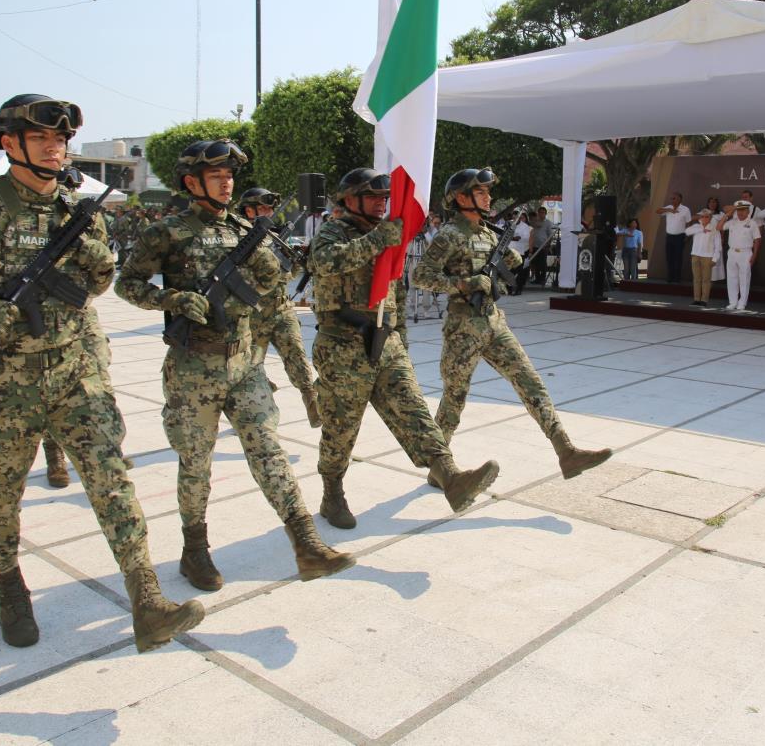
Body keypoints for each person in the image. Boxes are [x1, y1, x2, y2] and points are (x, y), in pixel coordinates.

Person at [0, 94, 204, 652]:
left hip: (78, 370)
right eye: (43, 139)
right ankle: (10, 587)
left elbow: (100, 284)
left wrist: (93, 246)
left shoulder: (77, 208)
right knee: (3, 492)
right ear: (9, 144)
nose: (56, 148)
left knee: (112, 479)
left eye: (62, 140)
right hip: (6, 382)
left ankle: (147, 599)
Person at [116, 139, 353, 589]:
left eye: (230, 176)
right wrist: (173, 298)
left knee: (269, 450)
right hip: (193, 369)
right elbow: (126, 284)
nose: (227, 183)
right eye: (217, 176)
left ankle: (306, 543)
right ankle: (194, 551)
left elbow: (273, 282)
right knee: (196, 463)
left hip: (245, 365)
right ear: (192, 182)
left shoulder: (243, 232)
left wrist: (274, 261)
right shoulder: (167, 232)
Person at [308, 167, 500, 529]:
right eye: (374, 196)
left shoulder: (388, 236)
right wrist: (380, 239)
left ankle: (451, 478)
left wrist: (401, 342)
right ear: (350, 200)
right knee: (341, 427)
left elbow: (396, 292)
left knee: (414, 412)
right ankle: (332, 491)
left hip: (385, 340)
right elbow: (326, 262)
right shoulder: (335, 232)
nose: (383, 203)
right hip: (342, 345)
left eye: (385, 197)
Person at [414, 167, 611, 477]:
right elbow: (421, 276)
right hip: (463, 328)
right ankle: (440, 469)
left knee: (531, 382)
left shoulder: (489, 232)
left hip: (493, 322)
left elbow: (505, 265)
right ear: (462, 198)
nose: (488, 197)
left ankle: (566, 452)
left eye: (487, 192)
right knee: (454, 398)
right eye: (481, 193)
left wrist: (512, 260)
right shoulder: (449, 234)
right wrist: (464, 284)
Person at [236, 186, 322, 427]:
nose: (268, 212)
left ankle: (311, 401)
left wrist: (295, 260)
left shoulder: (276, 237)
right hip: (252, 314)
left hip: (281, 309)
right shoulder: (238, 239)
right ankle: (258, 401)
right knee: (250, 364)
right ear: (248, 211)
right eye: (262, 208)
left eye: (270, 208)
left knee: (296, 356)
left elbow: (288, 275)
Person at [718, 200, 761, 311]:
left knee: (744, 279)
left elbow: (757, 240)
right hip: (732, 252)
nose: (741, 213)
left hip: (745, 253)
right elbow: (719, 227)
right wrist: (727, 215)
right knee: (732, 279)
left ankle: (742, 303)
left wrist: (754, 255)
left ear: (748, 211)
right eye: (739, 210)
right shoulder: (733, 221)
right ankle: (733, 302)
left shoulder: (752, 223)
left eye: (743, 210)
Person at [684, 208, 722, 307]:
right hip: (696, 255)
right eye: (702, 216)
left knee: (706, 279)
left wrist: (715, 259)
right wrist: (701, 229)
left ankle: (704, 300)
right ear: (700, 217)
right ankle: (696, 299)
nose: (704, 218)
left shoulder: (714, 229)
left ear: (710, 218)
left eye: (707, 217)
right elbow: (687, 231)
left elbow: (718, 246)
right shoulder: (696, 226)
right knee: (696, 278)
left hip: (708, 257)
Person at [655, 192, 692, 283]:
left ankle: (677, 277)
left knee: (678, 257)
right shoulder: (669, 208)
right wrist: (668, 210)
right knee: (669, 257)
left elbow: (689, 222)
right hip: (669, 236)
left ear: (680, 199)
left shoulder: (685, 209)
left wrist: (687, 236)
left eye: (674, 198)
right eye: (671, 198)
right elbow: (657, 211)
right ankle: (670, 277)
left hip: (680, 236)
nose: (672, 200)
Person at [528, 206, 555, 285]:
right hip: (535, 245)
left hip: (543, 246)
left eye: (543, 213)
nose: (541, 214)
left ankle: (543, 279)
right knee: (535, 263)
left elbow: (551, 235)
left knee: (542, 263)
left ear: (546, 214)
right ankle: (537, 278)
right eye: (539, 212)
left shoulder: (548, 223)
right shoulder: (535, 221)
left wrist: (548, 245)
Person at [510, 211, 532, 294]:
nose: (514, 219)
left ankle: (518, 289)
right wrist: (514, 237)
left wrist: (515, 237)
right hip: (509, 251)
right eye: (513, 217)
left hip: (520, 252)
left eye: (516, 217)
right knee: (510, 270)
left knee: (520, 271)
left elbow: (525, 238)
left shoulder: (525, 226)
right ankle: (509, 288)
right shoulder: (509, 224)